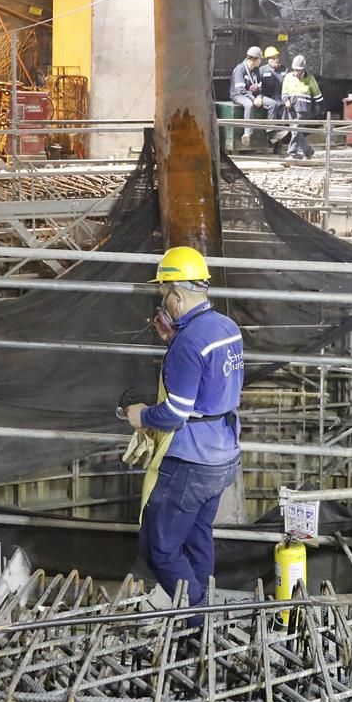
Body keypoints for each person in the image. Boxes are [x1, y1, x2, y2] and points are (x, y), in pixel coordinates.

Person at [122, 246, 244, 613]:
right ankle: (204, 610)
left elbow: (176, 412)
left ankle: (193, 616)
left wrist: (141, 416)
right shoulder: (226, 328)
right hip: (223, 454)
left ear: (176, 293)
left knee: (158, 548)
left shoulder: (188, 343)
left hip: (190, 460)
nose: (164, 305)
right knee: (196, 538)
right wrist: (174, 338)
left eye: (165, 297)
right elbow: (212, 383)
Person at [281, 55, 320, 160]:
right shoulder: (288, 77)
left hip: (303, 108)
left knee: (296, 129)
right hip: (291, 107)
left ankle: (292, 153)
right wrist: (286, 100)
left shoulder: (310, 78)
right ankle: (308, 151)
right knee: (295, 130)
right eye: (295, 70)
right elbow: (284, 91)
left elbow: (316, 93)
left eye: (299, 70)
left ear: (303, 69)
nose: (297, 72)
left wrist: (319, 105)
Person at [230, 46, 270, 148]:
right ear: (254, 59)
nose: (261, 61)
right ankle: (247, 133)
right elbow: (240, 90)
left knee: (272, 103)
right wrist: (253, 98)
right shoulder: (240, 69)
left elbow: (260, 87)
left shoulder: (256, 70)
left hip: (255, 96)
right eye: (260, 58)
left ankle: (271, 131)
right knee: (249, 104)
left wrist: (260, 97)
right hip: (238, 95)